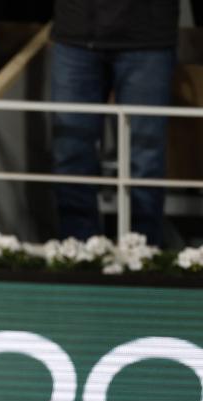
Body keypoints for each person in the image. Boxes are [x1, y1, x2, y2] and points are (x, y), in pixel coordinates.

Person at [51, 0, 180, 246]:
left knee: (145, 159)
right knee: (70, 152)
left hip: (148, 38)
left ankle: (143, 254)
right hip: (75, 36)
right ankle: (77, 252)